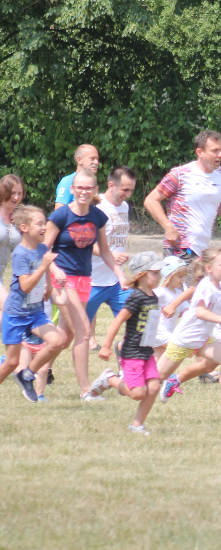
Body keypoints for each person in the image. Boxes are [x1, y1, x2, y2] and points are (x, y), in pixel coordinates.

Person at [44, 170, 126, 400]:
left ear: (95, 190)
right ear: (72, 189)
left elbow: (106, 252)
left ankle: (33, 371)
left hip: (84, 280)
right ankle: (85, 390)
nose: (83, 191)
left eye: (88, 188)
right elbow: (43, 249)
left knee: (66, 335)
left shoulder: (98, 217)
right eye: (79, 187)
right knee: (84, 331)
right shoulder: (60, 216)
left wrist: (120, 275)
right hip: (62, 280)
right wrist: (55, 269)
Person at [157, 248, 221, 418]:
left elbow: (213, 312)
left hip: (204, 339)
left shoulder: (220, 287)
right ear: (209, 268)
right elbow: (200, 312)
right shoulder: (205, 285)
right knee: (157, 376)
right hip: (184, 340)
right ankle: (119, 378)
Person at [144, 130, 221, 268]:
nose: (220, 155)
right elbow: (151, 200)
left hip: (203, 248)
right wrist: (168, 227)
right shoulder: (180, 174)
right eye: (215, 151)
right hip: (180, 246)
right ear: (200, 152)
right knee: (188, 289)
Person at [92, 251, 167, 434]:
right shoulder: (135, 298)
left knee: (154, 387)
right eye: (155, 273)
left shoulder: (153, 298)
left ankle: (137, 425)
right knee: (137, 393)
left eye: (159, 272)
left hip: (146, 351)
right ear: (141, 275)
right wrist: (106, 346)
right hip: (132, 352)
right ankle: (110, 379)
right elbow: (118, 322)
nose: (159, 277)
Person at [0, 206, 67, 402]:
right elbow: (26, 285)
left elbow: (43, 278)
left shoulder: (42, 248)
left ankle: (27, 374)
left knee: (58, 342)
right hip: (16, 314)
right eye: (39, 223)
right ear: (25, 228)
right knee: (11, 362)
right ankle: (19, 372)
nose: (45, 226)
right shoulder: (20, 254)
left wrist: (48, 286)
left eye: (45, 222)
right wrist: (45, 267)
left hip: (35, 312)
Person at [85, 166, 136, 350]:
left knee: (137, 316)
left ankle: (124, 349)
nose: (128, 195)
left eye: (131, 190)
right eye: (125, 190)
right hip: (93, 280)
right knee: (73, 333)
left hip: (115, 280)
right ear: (111, 185)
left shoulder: (124, 206)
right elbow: (85, 242)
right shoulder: (96, 209)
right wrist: (110, 254)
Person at [0, 175, 25, 312]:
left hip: (1, 276)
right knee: (11, 310)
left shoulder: (18, 219)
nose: (16, 197)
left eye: (19, 193)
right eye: (12, 193)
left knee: (5, 320)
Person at [54, 144, 100, 209]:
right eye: (92, 159)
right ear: (79, 160)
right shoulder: (68, 181)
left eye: (97, 159)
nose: (96, 162)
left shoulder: (92, 181)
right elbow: (58, 212)